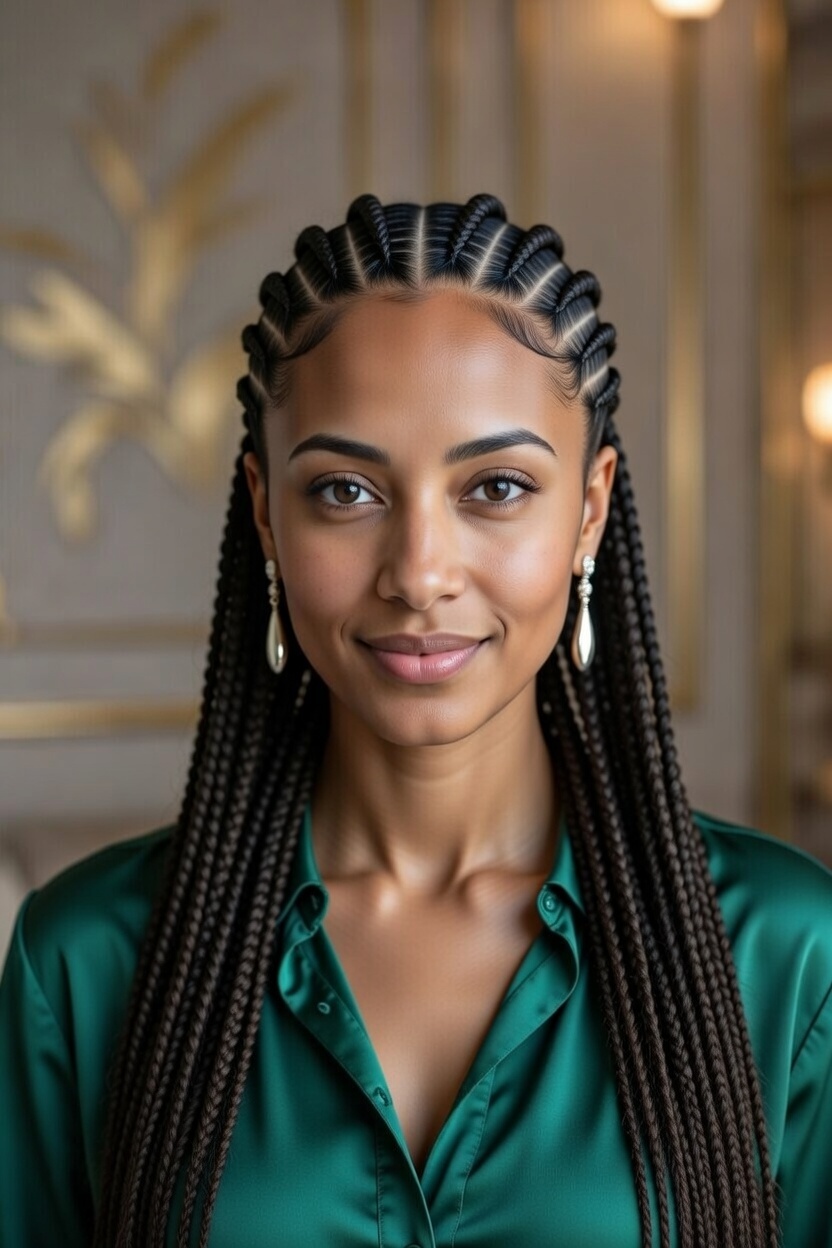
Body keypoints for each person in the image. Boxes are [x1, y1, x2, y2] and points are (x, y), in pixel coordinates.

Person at [0, 194, 830, 1248]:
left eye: (494, 486)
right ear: (265, 509)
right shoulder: (85, 963)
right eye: (346, 490)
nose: (419, 574)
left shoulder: (786, 956)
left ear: (589, 507)